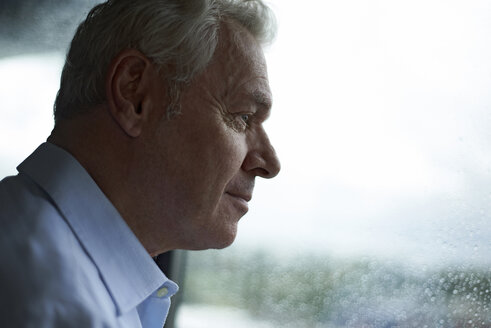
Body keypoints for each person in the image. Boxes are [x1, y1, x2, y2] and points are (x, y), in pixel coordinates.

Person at [0, 0, 281, 327]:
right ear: (134, 94)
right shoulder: (54, 304)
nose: (269, 163)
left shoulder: (38, 251)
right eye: (243, 118)